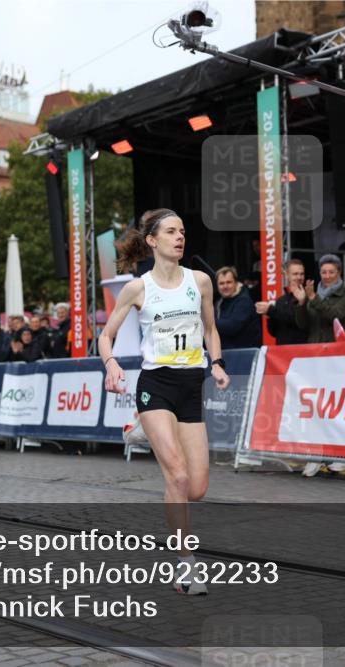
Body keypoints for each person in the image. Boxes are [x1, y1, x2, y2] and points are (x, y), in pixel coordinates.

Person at [101, 208, 230, 595]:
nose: (180, 237)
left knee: (196, 488)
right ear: (153, 241)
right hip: (155, 384)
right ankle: (186, 566)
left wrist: (218, 363)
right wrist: (110, 365)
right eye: (171, 232)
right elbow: (105, 335)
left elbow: (209, 328)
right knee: (176, 476)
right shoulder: (137, 289)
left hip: (191, 385)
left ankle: (143, 430)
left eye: (183, 231)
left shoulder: (201, 282)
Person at [296, 254, 345, 343]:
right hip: (315, 349)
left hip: (338, 350)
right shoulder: (314, 295)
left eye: (331, 272)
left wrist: (313, 298)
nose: (327, 276)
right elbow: (302, 324)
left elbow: (335, 316)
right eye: (323, 272)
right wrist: (301, 303)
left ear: (339, 273)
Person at [255, 259, 309, 345]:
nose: (299, 277)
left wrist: (271, 310)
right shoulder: (281, 300)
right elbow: (273, 332)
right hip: (282, 352)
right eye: (295, 274)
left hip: (302, 351)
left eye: (301, 274)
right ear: (286, 275)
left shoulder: (309, 296)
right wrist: (269, 315)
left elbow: (297, 321)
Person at [214, 266, 262, 350]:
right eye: (221, 283)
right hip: (228, 354)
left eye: (229, 282)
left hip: (246, 355)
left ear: (236, 283)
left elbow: (232, 326)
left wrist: (208, 324)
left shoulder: (244, 301)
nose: (225, 286)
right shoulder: (219, 303)